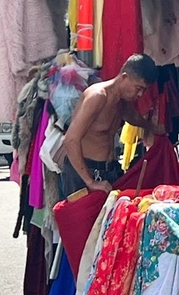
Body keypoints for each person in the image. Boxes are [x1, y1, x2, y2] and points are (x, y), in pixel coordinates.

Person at [61, 54, 161, 195]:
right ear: (124, 77)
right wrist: (90, 182)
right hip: (85, 173)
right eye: (138, 88)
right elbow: (70, 139)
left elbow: (132, 117)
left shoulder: (121, 101)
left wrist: (152, 128)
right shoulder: (97, 96)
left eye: (144, 90)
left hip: (110, 172)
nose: (140, 94)